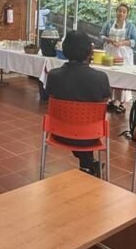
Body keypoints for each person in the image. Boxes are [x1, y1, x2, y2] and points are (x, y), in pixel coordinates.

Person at [45, 30, 112, 177]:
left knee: (75, 124)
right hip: (91, 134)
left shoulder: (54, 75)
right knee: (84, 125)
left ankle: (88, 164)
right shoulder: (101, 78)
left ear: (64, 49)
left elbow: (50, 96)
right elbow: (104, 101)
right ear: (89, 51)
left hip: (59, 132)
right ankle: (89, 165)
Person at [100, 3, 136, 113]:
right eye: (119, 11)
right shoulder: (109, 23)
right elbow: (101, 35)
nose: (121, 13)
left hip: (124, 54)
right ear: (116, 12)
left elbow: (135, 41)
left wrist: (122, 42)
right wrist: (109, 40)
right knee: (110, 75)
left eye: (124, 12)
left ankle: (122, 102)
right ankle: (111, 100)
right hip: (110, 52)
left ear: (127, 14)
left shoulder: (130, 26)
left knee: (123, 76)